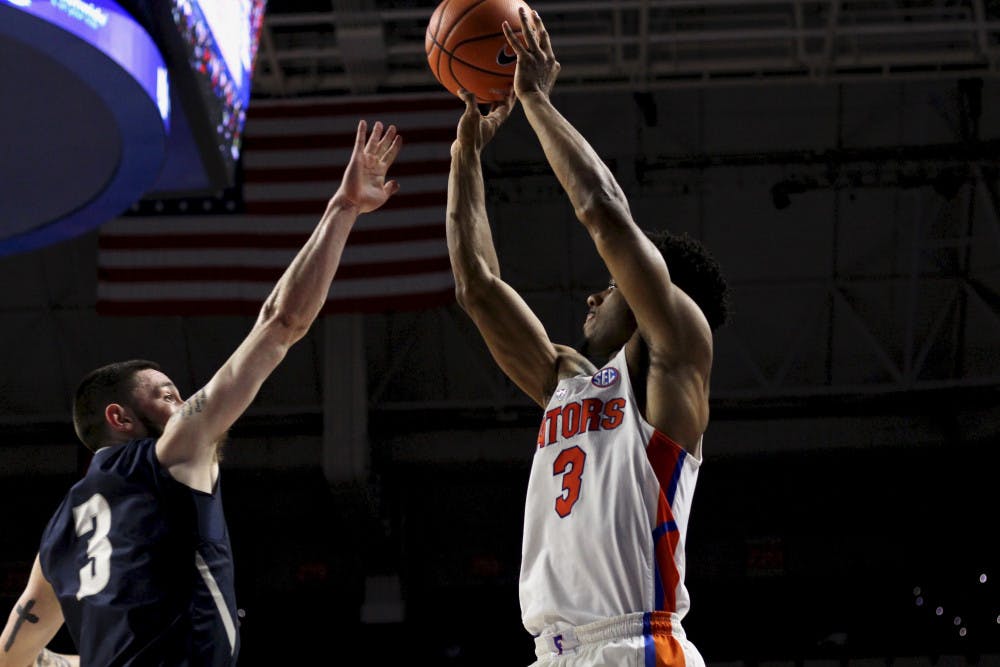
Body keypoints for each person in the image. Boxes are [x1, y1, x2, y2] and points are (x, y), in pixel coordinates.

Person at [0, 119, 403, 666]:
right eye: (165, 394)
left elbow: (12, 654)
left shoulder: (61, 532)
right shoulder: (169, 451)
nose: (182, 402)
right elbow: (280, 323)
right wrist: (343, 208)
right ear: (120, 416)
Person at [445, 8, 730, 666]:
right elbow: (477, 285)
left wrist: (534, 98)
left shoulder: (681, 350)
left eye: (610, 282)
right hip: (552, 652)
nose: (593, 293)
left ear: (655, 288)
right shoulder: (568, 379)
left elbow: (601, 212)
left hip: (637, 644)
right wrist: (466, 158)